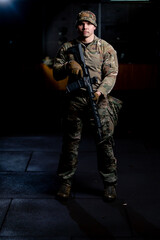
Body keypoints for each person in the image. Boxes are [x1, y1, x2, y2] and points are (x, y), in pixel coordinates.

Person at [53, 10, 122, 201]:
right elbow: (56, 73)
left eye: (89, 24)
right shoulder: (67, 48)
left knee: (104, 142)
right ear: (78, 26)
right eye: (82, 24)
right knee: (70, 143)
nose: (85, 27)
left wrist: (100, 92)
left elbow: (112, 74)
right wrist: (68, 66)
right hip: (75, 100)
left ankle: (109, 184)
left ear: (94, 26)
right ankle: (66, 182)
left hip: (98, 100)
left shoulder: (105, 48)